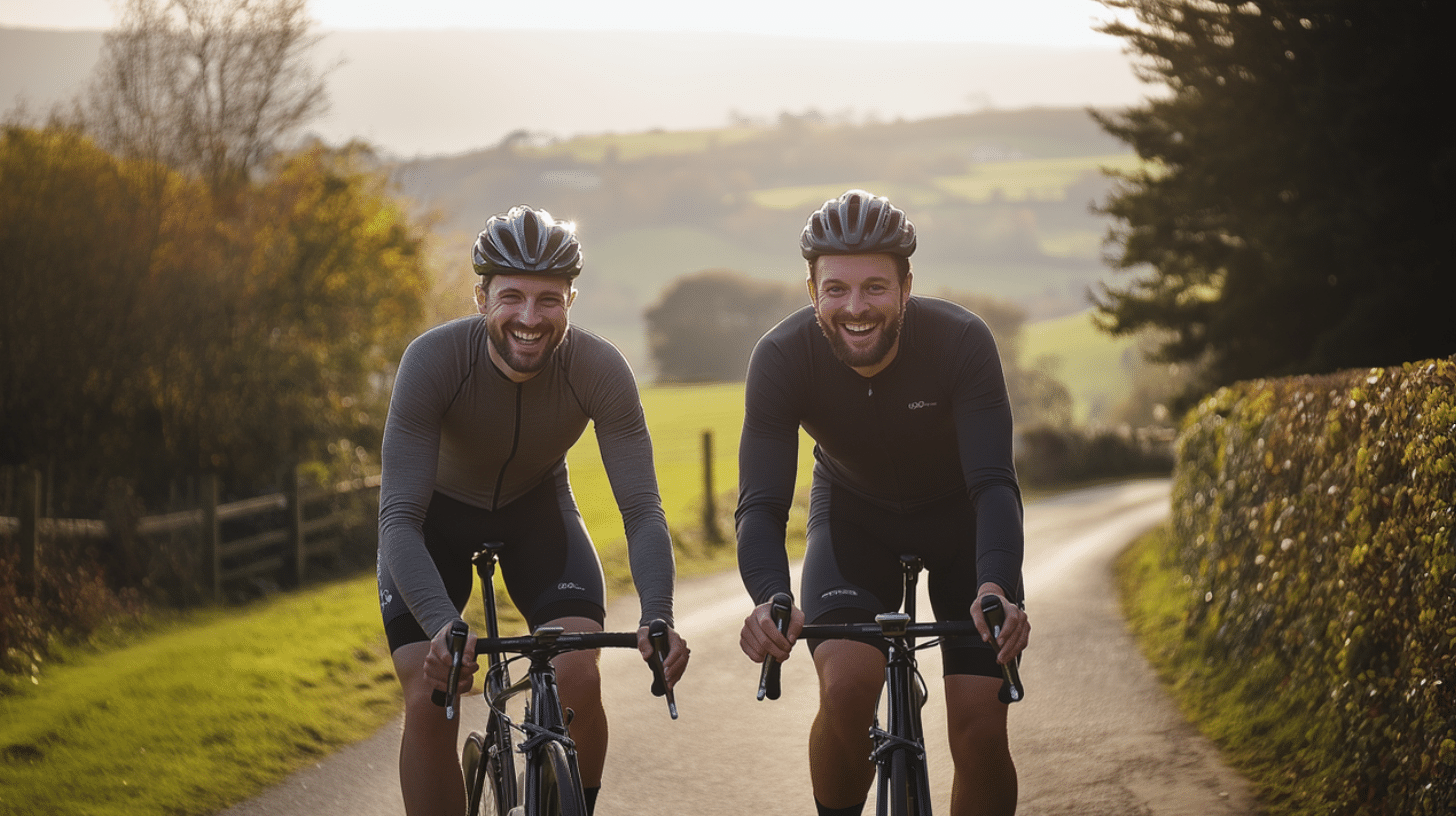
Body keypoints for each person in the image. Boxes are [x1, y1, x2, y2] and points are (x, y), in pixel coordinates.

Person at [377, 204, 690, 816]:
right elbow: (398, 520)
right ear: (480, 298)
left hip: (536, 515)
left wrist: (658, 614)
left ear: (571, 300)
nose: (529, 317)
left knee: (578, 671)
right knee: (430, 686)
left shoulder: (599, 369)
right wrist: (443, 625)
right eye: (511, 297)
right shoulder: (433, 361)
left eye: (548, 299)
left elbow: (643, 511)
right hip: (433, 526)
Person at [736, 190, 1030, 816]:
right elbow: (761, 505)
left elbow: (994, 484)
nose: (855, 307)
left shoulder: (960, 342)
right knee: (845, 687)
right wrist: (767, 597)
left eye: (874, 287)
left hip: (963, 527)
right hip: (854, 521)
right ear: (812, 290)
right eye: (835, 289)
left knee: (981, 728)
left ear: (905, 286)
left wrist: (999, 585)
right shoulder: (783, 358)